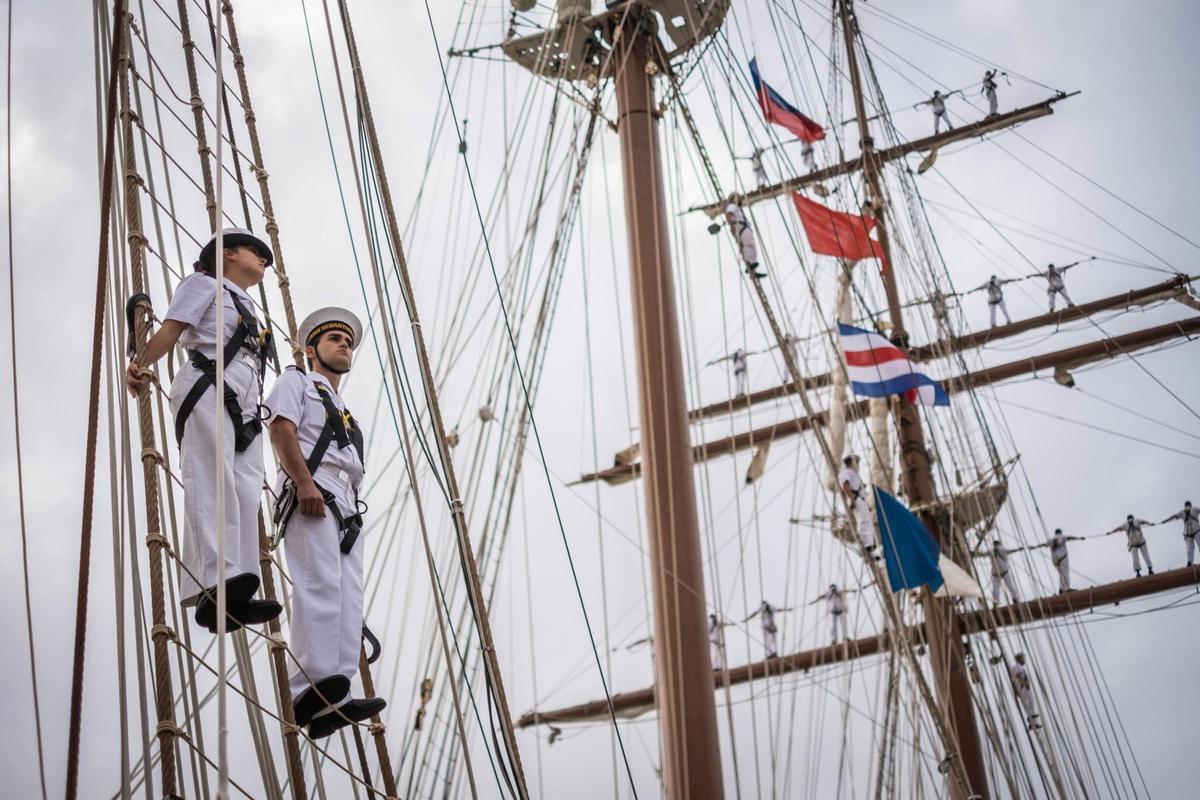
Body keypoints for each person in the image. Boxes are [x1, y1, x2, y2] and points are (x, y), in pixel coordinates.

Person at [125, 228, 281, 634]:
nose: (264, 259)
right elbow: (172, 331)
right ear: (227, 254)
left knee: (246, 491)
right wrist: (140, 362)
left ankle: (236, 585)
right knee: (213, 478)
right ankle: (216, 578)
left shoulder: (247, 305)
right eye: (255, 251)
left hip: (245, 409)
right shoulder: (202, 284)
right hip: (208, 385)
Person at [266, 306, 386, 739]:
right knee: (318, 585)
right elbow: (281, 430)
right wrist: (303, 483)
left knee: (348, 597)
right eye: (334, 339)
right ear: (311, 350)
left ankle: (336, 694)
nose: (344, 346)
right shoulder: (297, 382)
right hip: (313, 488)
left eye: (348, 342)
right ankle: (307, 688)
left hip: (347, 505)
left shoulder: (346, 413)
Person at [838, 454, 877, 555]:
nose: (858, 465)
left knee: (867, 521)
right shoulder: (845, 472)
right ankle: (865, 545)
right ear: (852, 462)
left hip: (861, 499)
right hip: (855, 498)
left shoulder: (854, 473)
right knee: (863, 521)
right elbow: (845, 485)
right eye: (857, 462)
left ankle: (870, 545)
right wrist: (852, 499)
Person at [724, 202, 766, 279]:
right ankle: (750, 263)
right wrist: (732, 226)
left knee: (752, 246)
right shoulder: (733, 205)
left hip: (743, 227)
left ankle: (752, 268)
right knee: (748, 244)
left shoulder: (738, 209)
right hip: (741, 227)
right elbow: (728, 214)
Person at [1009, 653, 1043, 730]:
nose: (1024, 660)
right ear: (1019, 659)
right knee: (1029, 701)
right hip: (1022, 687)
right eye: (1023, 658)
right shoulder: (1017, 667)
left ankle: (1032, 722)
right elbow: (1018, 675)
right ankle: (1031, 718)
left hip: (1023, 687)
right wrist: (1024, 683)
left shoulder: (1019, 667)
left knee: (1030, 702)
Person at [1161, 501, 1200, 566]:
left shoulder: (1182, 512)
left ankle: (1190, 562)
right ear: (1190, 505)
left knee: (1190, 547)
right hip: (1196, 530)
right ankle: (1190, 562)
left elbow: (1173, 516)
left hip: (1188, 533)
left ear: (1185, 506)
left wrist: (1165, 521)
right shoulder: (1194, 509)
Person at [989, 539, 1019, 605]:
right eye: (995, 544)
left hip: (1002, 572)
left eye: (996, 544)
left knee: (1008, 586)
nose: (996, 545)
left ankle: (1014, 599)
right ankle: (996, 601)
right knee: (997, 588)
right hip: (997, 573)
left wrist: (1019, 549)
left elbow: (1010, 551)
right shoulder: (992, 551)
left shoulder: (1000, 550)